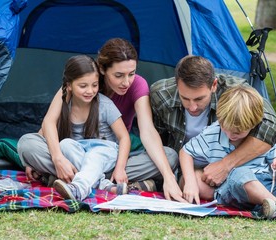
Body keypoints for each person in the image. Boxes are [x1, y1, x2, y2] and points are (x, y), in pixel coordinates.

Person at [18, 38, 185, 202]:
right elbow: (49, 122)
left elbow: (147, 131)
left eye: (131, 74)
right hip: (71, 154)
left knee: (169, 156)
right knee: (27, 144)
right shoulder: (82, 83)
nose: (126, 82)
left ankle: (68, 179)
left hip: (109, 158)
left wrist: (168, 177)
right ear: (103, 70)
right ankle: (101, 183)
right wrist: (55, 158)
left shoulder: (136, 86)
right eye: (119, 75)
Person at [179, 85, 276, 218]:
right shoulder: (212, 133)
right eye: (226, 127)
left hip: (270, 188)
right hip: (236, 189)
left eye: (239, 132)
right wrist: (190, 183)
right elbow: (186, 152)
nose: (231, 134)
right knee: (240, 174)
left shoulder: (263, 136)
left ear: (254, 124)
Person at [150, 55, 276, 186]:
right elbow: (157, 136)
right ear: (177, 85)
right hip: (188, 164)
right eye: (185, 98)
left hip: (225, 159)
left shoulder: (235, 90)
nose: (192, 107)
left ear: (214, 85)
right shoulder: (161, 94)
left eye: (199, 98)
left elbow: (272, 125)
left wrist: (225, 165)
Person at [18, 55, 131, 200]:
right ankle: (101, 183)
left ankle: (77, 188)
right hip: (74, 157)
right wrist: (33, 160)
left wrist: (120, 168)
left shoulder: (105, 105)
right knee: (32, 143)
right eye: (83, 86)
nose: (90, 91)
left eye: (94, 85)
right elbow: (48, 124)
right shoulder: (64, 100)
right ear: (69, 85)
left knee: (94, 157)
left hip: (105, 155)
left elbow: (124, 137)